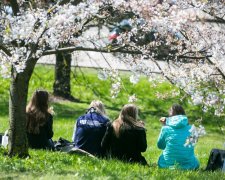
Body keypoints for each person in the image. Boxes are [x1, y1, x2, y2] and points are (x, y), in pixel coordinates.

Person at [157, 104, 199, 170]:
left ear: (170, 116)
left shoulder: (165, 128)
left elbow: (160, 146)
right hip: (189, 165)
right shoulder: (192, 129)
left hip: (166, 164)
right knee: (195, 161)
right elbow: (192, 146)